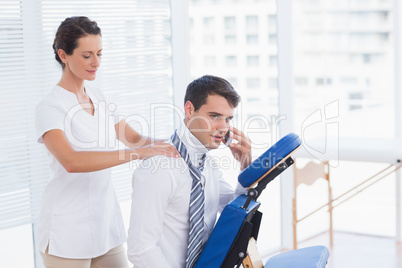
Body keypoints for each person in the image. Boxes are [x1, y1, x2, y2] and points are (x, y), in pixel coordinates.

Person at [35, 16, 179, 268]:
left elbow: (133, 138)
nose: (96, 62)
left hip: (105, 226)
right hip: (65, 232)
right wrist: (138, 154)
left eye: (100, 54)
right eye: (87, 55)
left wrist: (180, 141)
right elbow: (71, 161)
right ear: (63, 55)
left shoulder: (98, 96)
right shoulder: (50, 107)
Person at [127, 75, 252, 268]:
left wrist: (246, 166)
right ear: (189, 110)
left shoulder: (206, 165)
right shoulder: (158, 169)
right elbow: (141, 250)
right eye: (214, 116)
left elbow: (234, 210)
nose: (223, 127)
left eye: (228, 119)